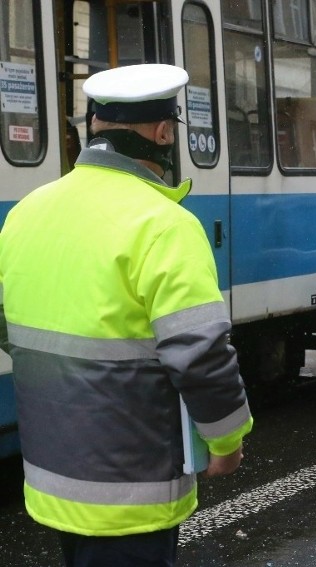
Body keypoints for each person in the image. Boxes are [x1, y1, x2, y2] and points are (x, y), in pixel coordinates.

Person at [0, 63, 253, 566]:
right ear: (163, 132)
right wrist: (226, 440)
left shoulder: (26, 212)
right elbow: (200, 354)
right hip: (129, 493)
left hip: (52, 481)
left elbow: (13, 329)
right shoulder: (165, 226)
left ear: (94, 127)